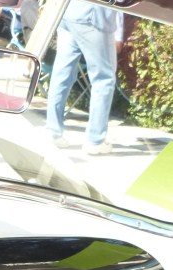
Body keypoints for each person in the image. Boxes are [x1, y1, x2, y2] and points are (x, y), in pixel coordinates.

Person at [45, 1, 123, 155]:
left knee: (62, 75)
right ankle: (95, 140)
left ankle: (53, 132)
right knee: (104, 80)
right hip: (93, 17)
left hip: (68, 12)